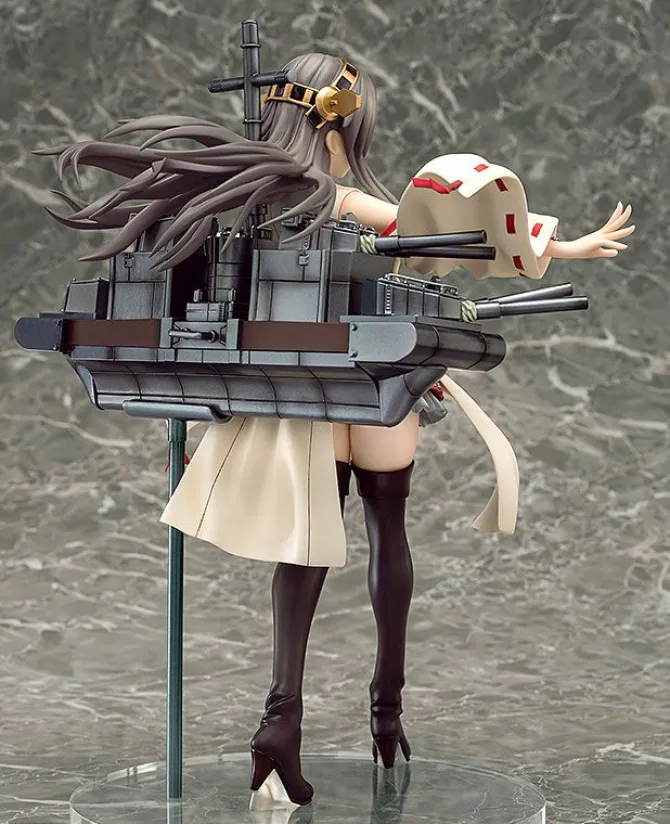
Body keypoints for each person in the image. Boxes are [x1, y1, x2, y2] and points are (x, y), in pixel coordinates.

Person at [35, 50, 634, 807]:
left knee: (306, 548)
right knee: (387, 530)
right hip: (355, 383)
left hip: (307, 391)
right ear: (335, 129)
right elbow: (431, 230)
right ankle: (386, 712)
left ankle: (281, 718)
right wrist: (559, 245)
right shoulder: (334, 197)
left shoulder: (249, 207)